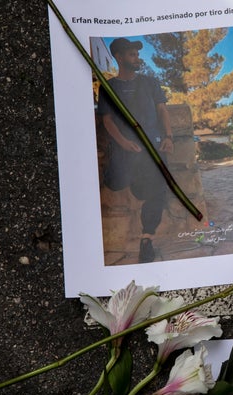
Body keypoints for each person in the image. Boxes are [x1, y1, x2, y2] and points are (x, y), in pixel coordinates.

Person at [97, 37, 175, 263]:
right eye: (132, 54)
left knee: (160, 184)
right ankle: (130, 183)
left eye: (137, 54)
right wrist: (123, 142)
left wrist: (169, 137)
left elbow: (163, 111)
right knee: (119, 182)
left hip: (153, 144)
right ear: (119, 58)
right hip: (125, 149)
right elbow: (107, 120)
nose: (137, 57)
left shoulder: (150, 82)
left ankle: (146, 238)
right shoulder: (108, 87)